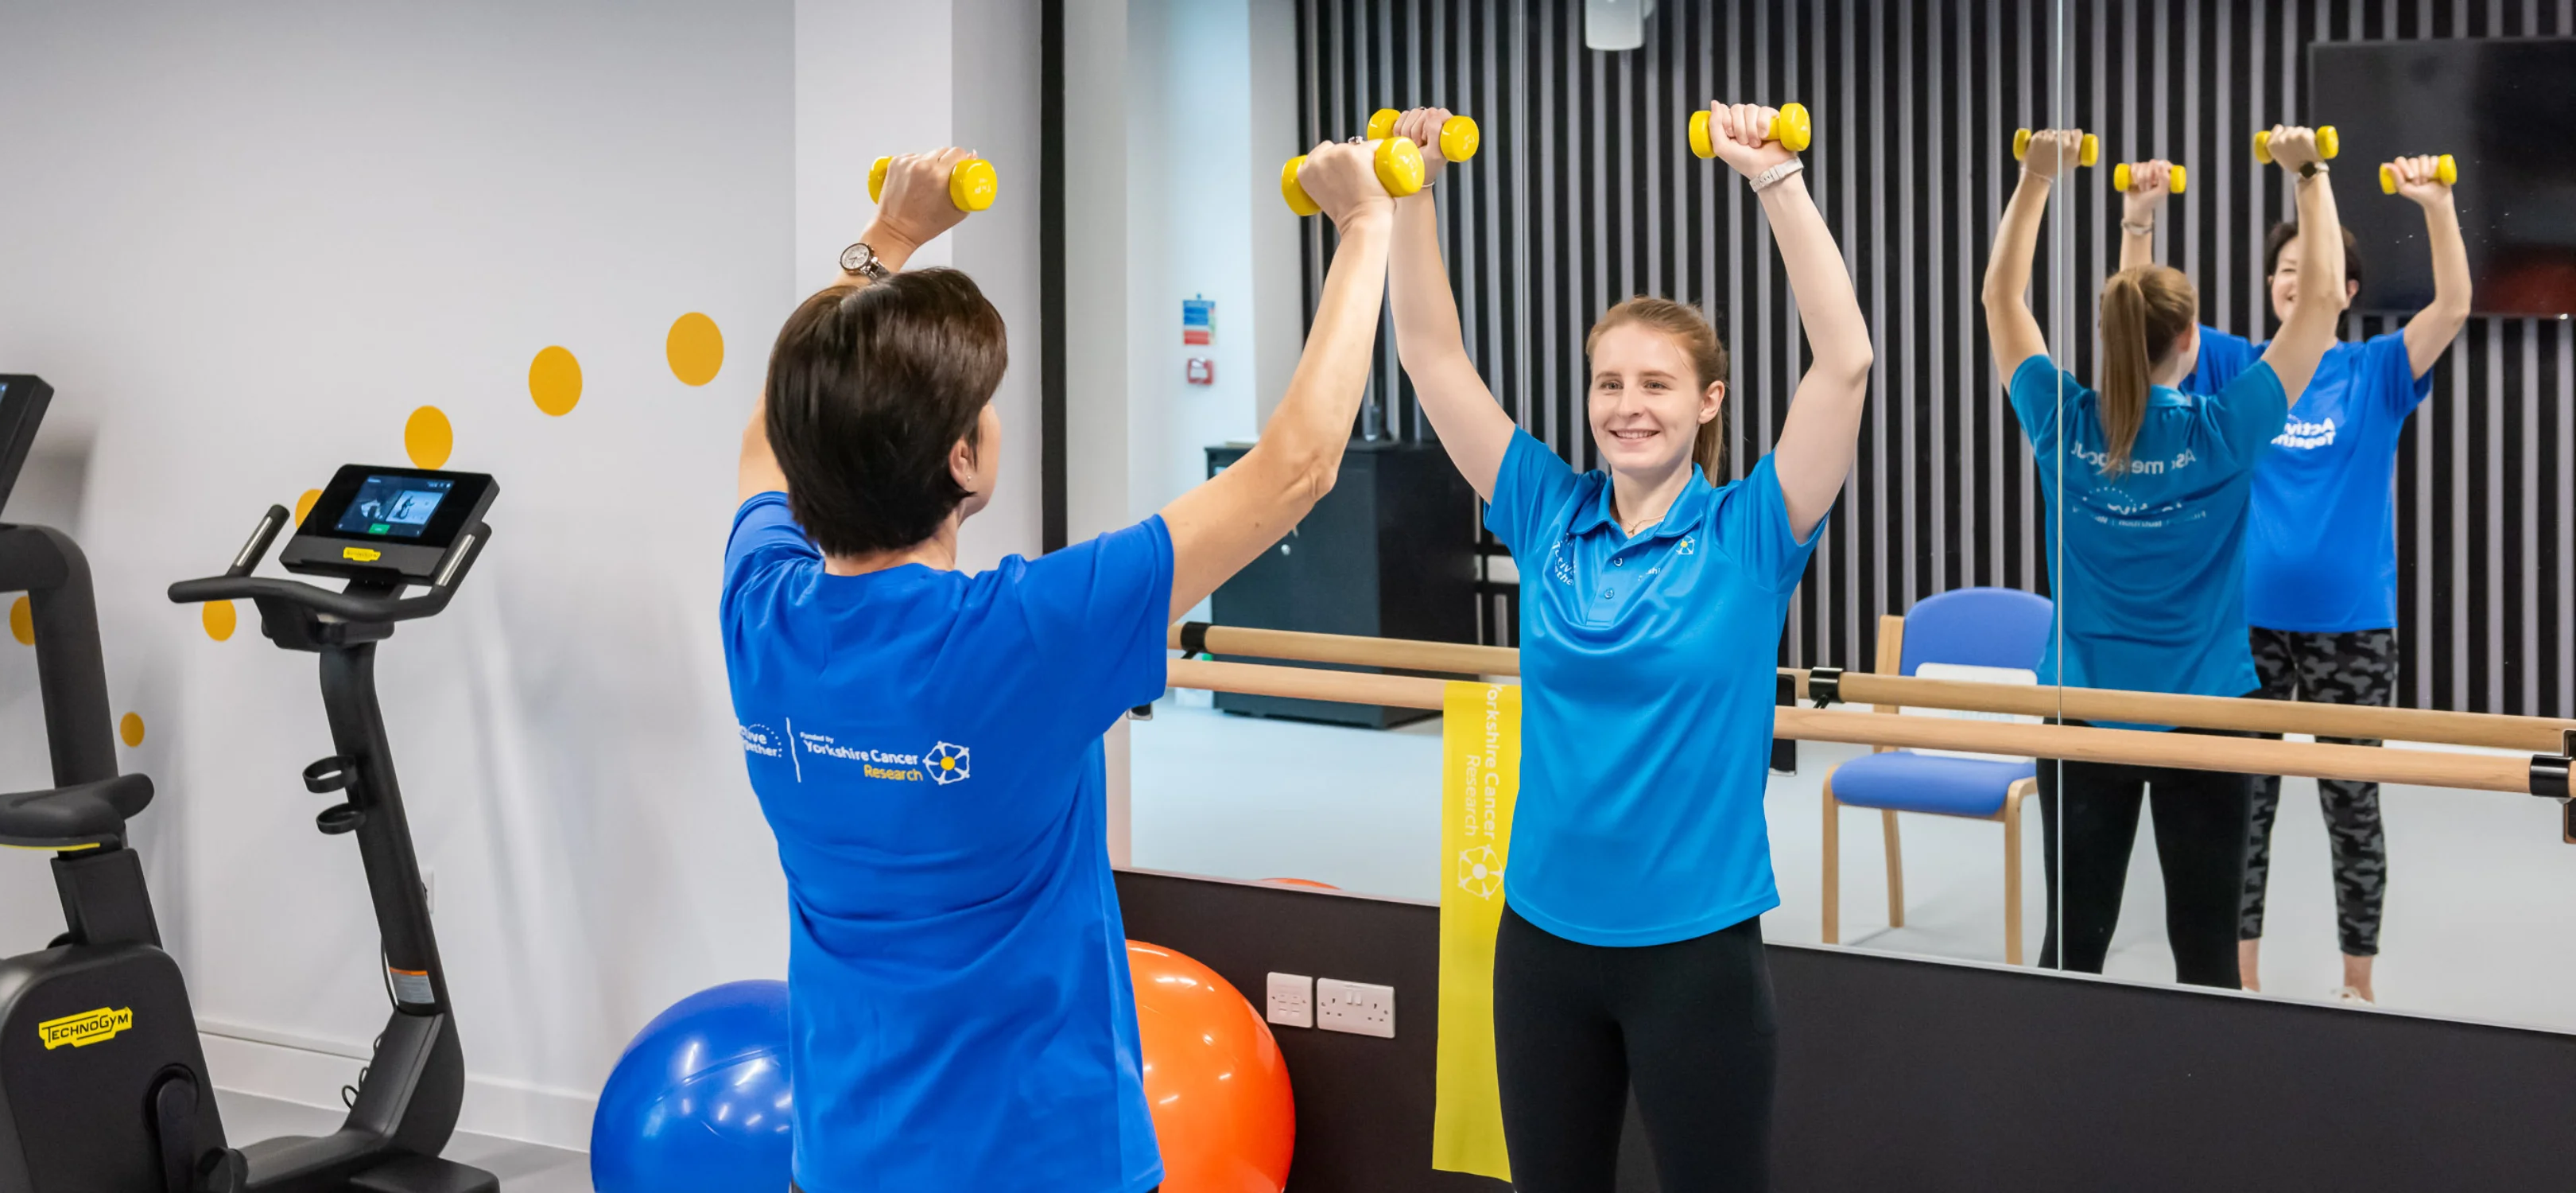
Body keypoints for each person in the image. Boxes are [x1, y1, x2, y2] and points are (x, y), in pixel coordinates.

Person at [720, 143, 1392, 1193]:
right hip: (1043, 1162)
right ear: (964, 462)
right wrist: (1366, 227)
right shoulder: (1026, 632)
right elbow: (1298, 468)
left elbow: (771, 429)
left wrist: (886, 243)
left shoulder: (760, 613)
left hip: (845, 1158)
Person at [1383, 102, 1872, 1193]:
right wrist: (1412, 195)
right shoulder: (1548, 511)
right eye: (1610, 382)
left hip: (1696, 954)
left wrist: (1777, 181)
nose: (1626, 407)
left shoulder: (1753, 533)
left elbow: (1844, 363)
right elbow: (1430, 354)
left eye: (1656, 386)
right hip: (1543, 942)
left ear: (1708, 403)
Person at [1981, 127, 2345, 990]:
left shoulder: (2060, 421)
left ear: (2105, 342)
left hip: (2083, 713)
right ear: (2192, 343)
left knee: (2072, 948)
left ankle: (2060, 1095)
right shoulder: (2225, 431)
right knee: (2207, 954)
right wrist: (2308, 173)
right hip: (2209, 717)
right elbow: (2321, 303)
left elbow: (2002, 296)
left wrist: (2039, 179)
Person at [2118, 154, 2471, 1004]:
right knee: (2249, 809)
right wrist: (2140, 218)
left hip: (2354, 629)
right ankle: (2241, 982)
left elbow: (2453, 305)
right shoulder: (2242, 366)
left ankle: (2359, 985)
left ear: (2342, 289)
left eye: (2305, 269)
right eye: (2281, 270)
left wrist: (2437, 204)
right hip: (2251, 628)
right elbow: (2137, 325)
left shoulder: (2377, 370)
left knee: (2353, 808)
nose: (2292, 280)